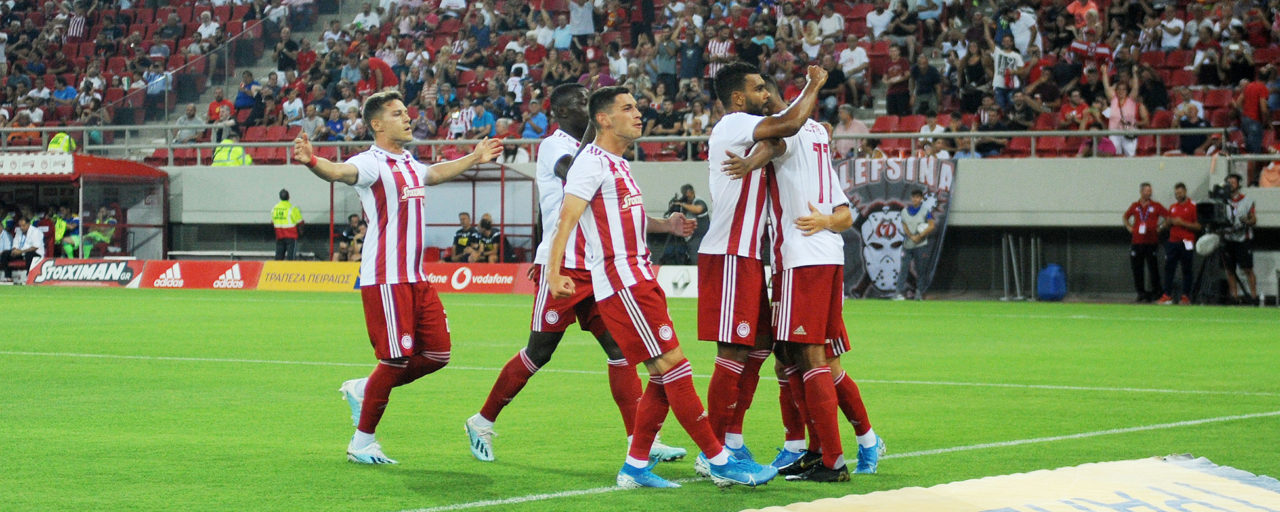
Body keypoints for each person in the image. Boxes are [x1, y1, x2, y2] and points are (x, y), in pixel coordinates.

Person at [547, 86, 776, 488]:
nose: (639, 113)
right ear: (603, 119)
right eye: (627, 108)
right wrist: (553, 272)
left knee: (660, 374)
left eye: (637, 106)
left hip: (641, 279)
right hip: (623, 283)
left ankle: (635, 467)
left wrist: (666, 225)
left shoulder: (617, 164)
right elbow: (566, 219)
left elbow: (626, 221)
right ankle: (719, 459)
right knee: (675, 367)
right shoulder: (590, 163)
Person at [465, 83, 687, 464]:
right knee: (539, 352)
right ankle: (481, 421)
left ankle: (641, 439)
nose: (588, 106)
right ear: (563, 112)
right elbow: (572, 174)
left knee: (621, 350)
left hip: (596, 266)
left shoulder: (605, 153)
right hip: (563, 263)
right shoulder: (555, 145)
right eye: (582, 102)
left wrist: (664, 225)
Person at [293, 90, 503, 465]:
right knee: (394, 361)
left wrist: (474, 156)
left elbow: (434, 173)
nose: (407, 118)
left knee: (437, 354)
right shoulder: (370, 163)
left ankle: (364, 387)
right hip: (386, 277)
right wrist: (312, 161)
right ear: (377, 124)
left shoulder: (408, 162)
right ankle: (362, 443)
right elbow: (339, 172)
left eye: (406, 112)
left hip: (416, 278)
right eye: (397, 114)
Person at [721, 76, 883, 482]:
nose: (760, 103)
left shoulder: (791, 129)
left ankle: (831, 459)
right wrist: (827, 220)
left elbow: (775, 143)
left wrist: (747, 164)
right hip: (826, 259)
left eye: (764, 94)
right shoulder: (818, 139)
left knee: (811, 359)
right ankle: (839, 444)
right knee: (796, 358)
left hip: (802, 260)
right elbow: (845, 214)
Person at [700, 61, 826, 469]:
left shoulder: (749, 131)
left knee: (758, 347)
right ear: (738, 98)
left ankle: (733, 439)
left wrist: (756, 159)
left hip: (750, 256)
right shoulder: (733, 123)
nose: (766, 95)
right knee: (733, 350)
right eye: (758, 89)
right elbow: (789, 124)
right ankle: (712, 450)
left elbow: (779, 144)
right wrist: (813, 85)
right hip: (729, 253)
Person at [1123, 182, 1166, 302]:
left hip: (1151, 242)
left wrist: (1160, 227)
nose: (1149, 193)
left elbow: (1168, 217)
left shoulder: (1156, 205)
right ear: (1141, 192)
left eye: (1150, 191)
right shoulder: (1135, 206)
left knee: (1153, 268)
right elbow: (1125, 217)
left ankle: (1156, 292)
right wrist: (1129, 227)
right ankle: (1141, 293)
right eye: (1147, 190)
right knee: (1137, 269)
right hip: (1137, 242)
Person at [1158, 183, 1199, 305]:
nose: (1178, 195)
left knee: (1187, 269)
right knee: (1169, 268)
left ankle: (1185, 296)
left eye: (1180, 193)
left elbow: (1198, 226)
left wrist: (1182, 223)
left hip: (1187, 241)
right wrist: (1166, 224)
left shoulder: (1193, 206)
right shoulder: (1173, 207)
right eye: (1176, 193)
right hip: (1173, 242)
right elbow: (1168, 223)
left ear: (1185, 191)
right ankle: (1167, 295)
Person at [1221, 174, 1258, 304]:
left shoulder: (1247, 200)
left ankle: (1254, 296)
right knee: (1230, 270)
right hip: (1228, 238)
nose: (1230, 184)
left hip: (1243, 239)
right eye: (1228, 182)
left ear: (1238, 184)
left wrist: (1246, 221)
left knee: (1247, 269)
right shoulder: (1223, 201)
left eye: (1233, 182)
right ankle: (1234, 297)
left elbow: (1253, 219)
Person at [894, 189, 936, 301]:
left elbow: (931, 225)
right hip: (908, 244)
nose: (915, 199)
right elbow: (904, 225)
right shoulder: (905, 211)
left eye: (917, 197)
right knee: (904, 269)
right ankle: (898, 293)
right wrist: (912, 236)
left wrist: (920, 235)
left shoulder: (925, 211)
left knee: (921, 270)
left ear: (921, 198)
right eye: (913, 197)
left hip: (921, 245)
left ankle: (919, 293)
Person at [668, 184, 708, 263]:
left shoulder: (698, 201)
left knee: (697, 258)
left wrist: (682, 204)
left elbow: (698, 209)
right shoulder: (686, 202)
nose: (687, 195)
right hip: (690, 236)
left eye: (688, 192)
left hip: (699, 236)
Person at [1237, 66, 1272, 154]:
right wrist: (1267, 122)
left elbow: (1238, 102)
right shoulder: (1263, 88)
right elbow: (1263, 109)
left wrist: (1245, 112)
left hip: (1245, 120)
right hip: (1255, 121)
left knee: (1248, 151)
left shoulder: (1249, 86)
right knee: (1255, 153)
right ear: (1268, 79)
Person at [271, 189, 303, 260]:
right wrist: (301, 231)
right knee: (291, 258)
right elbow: (300, 222)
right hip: (291, 236)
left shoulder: (275, 208)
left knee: (278, 258)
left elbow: (273, 222)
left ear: (280, 197)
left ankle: (276, 268)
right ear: (288, 197)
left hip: (279, 236)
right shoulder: (292, 208)